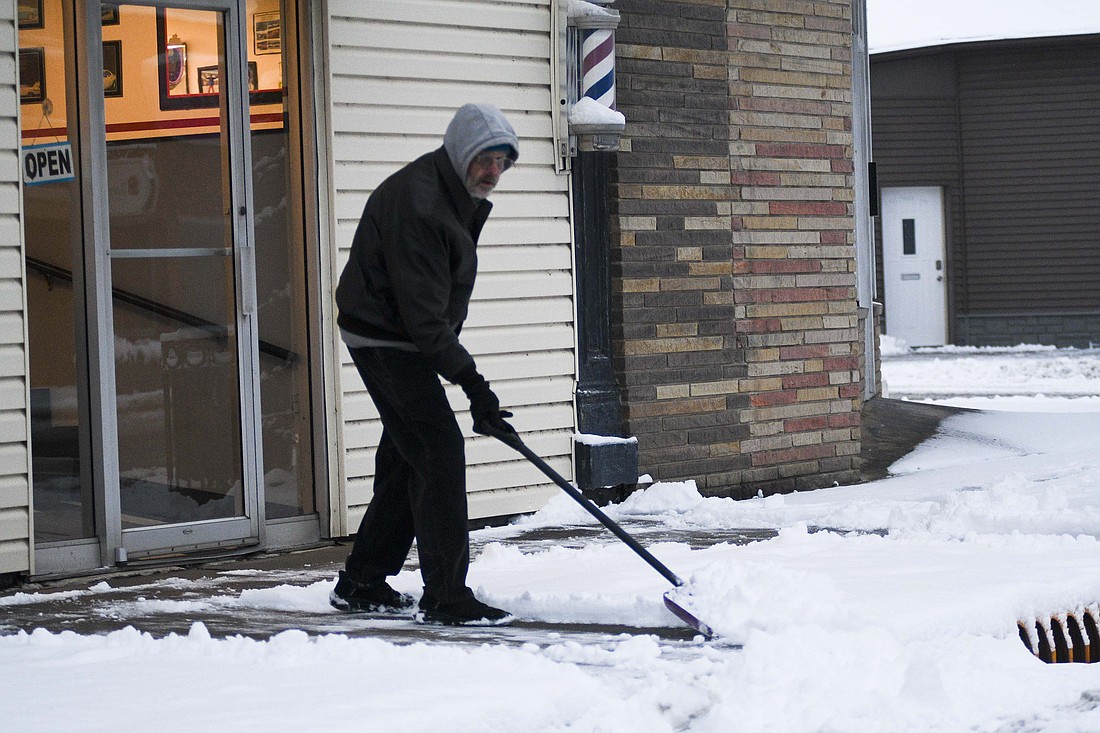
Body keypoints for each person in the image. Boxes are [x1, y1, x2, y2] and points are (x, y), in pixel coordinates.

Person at [330, 103, 520, 626]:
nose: (493, 171)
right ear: (461, 152)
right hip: (385, 338)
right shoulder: (420, 205)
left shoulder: (452, 195)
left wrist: (465, 380)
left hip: (403, 335)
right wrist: (473, 384)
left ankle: (363, 580)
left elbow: (430, 311)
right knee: (437, 450)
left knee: (407, 458)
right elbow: (422, 315)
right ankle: (446, 596)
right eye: (485, 158)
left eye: (503, 161)